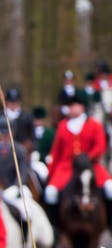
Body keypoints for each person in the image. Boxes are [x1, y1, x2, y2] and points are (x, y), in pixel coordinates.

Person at [43, 92, 112, 222]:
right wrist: (50, 172)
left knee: (110, 188)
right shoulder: (63, 126)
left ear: (81, 107)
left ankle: (109, 224)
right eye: (69, 105)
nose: (71, 108)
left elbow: (100, 146)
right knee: (50, 192)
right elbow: (56, 151)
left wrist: (87, 158)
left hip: (91, 166)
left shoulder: (94, 125)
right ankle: (54, 226)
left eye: (74, 105)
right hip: (66, 168)